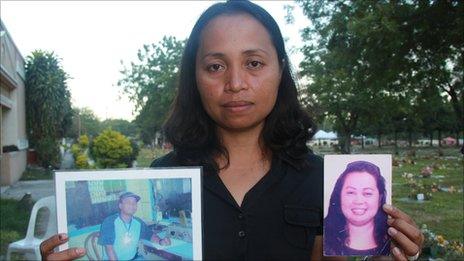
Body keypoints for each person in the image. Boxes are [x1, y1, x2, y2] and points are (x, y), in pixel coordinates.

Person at [40, 1, 423, 260]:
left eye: (254, 63)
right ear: (196, 77)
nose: (236, 83)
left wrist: (393, 251)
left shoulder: (325, 180)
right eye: (215, 66)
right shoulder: (165, 173)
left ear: (280, 70)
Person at [324, 161, 390, 256]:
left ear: (379, 199)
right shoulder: (322, 236)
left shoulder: (392, 237)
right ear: (339, 196)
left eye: (367, 193)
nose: (358, 201)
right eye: (351, 192)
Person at [98, 191, 171, 260]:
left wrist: (161, 241)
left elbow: (150, 235)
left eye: (134, 203)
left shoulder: (138, 222)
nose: (132, 205)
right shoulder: (110, 222)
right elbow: (109, 249)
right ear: (120, 205)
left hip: (133, 258)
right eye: (128, 202)